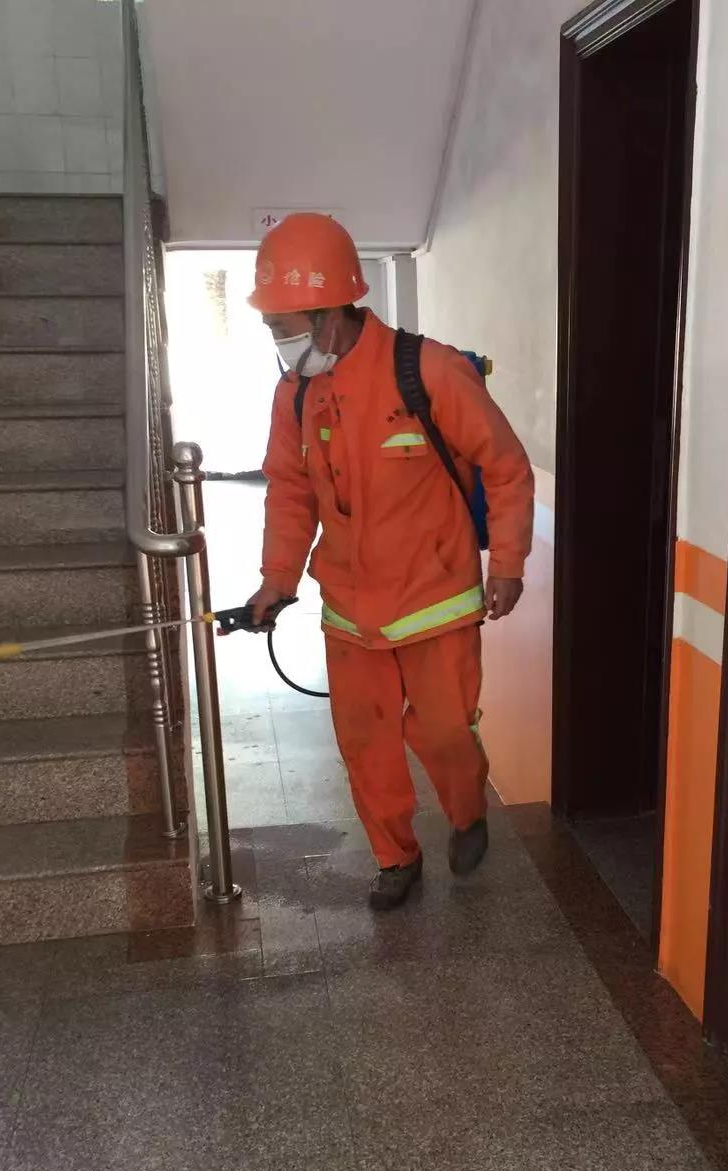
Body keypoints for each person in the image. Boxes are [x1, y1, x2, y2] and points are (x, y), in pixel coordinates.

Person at [248, 213, 534, 910]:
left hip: (436, 597)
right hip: (350, 607)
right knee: (365, 742)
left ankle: (466, 812)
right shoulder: (295, 395)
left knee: (444, 731)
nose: (280, 341)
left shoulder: (426, 370)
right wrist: (276, 580)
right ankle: (395, 857)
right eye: (272, 327)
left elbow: (505, 466)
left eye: (285, 326)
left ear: (330, 312)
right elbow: (290, 491)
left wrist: (507, 564)